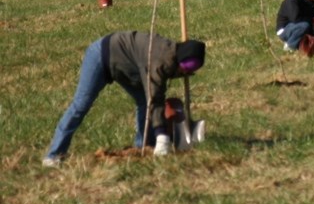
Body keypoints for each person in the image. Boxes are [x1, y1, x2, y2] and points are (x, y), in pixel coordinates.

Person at [44, 32, 206, 166]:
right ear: (179, 60)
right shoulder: (158, 60)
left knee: (143, 101)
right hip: (101, 55)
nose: (184, 73)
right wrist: (162, 136)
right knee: (81, 105)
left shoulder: (172, 55)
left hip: (127, 66)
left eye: (189, 72)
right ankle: (54, 155)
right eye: (183, 70)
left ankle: (144, 146)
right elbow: (155, 98)